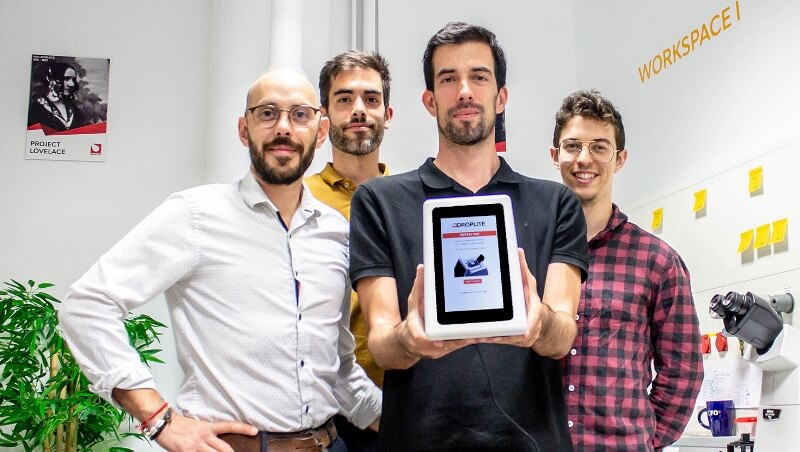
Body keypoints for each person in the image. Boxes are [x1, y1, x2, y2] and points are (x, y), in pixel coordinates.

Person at [58, 68, 381, 452]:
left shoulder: (335, 232)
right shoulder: (195, 214)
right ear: (244, 130)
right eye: (267, 113)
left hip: (329, 444)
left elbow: (338, 370)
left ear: (320, 131)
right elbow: (87, 305)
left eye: (299, 115)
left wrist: (417, 422)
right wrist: (158, 419)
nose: (283, 128)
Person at [349, 22, 589, 451]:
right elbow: (382, 340)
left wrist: (539, 324)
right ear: (429, 100)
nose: (464, 91)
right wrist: (409, 338)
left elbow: (563, 334)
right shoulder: (378, 201)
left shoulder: (556, 204)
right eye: (448, 79)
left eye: (479, 77)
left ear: (501, 97)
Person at [550, 90, 703, 451]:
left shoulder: (658, 262)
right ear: (555, 156)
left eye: (599, 147)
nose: (584, 159)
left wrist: (644, 440)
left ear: (620, 159)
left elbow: (684, 371)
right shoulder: (529, 254)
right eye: (573, 146)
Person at [305, 50, 393, 451]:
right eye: (344, 99)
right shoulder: (298, 200)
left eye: (371, 99)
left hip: (401, 407)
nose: (359, 109)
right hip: (324, 422)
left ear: (387, 115)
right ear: (324, 118)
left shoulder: (411, 202)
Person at [28, 62, 86, 131]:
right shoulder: (35, 110)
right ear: (51, 80)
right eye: (66, 79)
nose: (72, 84)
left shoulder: (74, 109)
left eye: (73, 79)